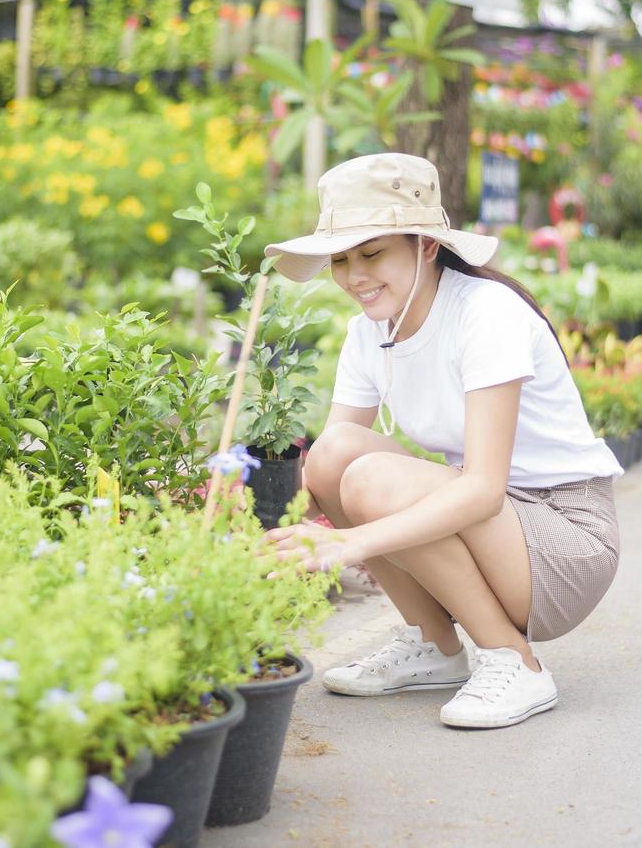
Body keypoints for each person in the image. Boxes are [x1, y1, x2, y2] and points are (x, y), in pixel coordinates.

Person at [262, 152, 623, 730]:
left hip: (563, 539)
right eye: (341, 259)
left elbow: (481, 491)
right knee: (331, 458)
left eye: (373, 252)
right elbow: (329, 466)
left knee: (372, 480)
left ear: (426, 245)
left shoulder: (486, 314)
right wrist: (252, 530)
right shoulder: (368, 331)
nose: (355, 276)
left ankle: (515, 661)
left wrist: (347, 545)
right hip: (498, 526)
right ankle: (437, 647)